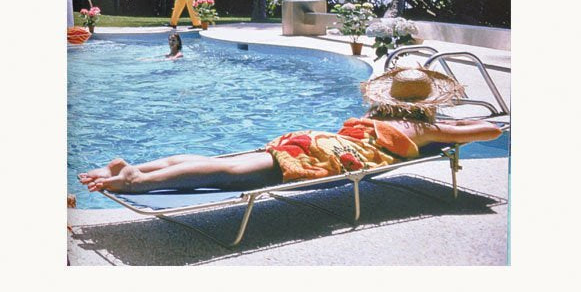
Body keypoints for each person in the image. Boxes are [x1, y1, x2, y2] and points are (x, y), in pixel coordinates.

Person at [79, 68, 504, 194]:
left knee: (228, 160)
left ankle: (139, 167)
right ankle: (137, 180)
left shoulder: (379, 114)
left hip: (313, 139)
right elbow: (488, 132)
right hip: (325, 156)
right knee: (227, 174)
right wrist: (448, 122)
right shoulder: (424, 129)